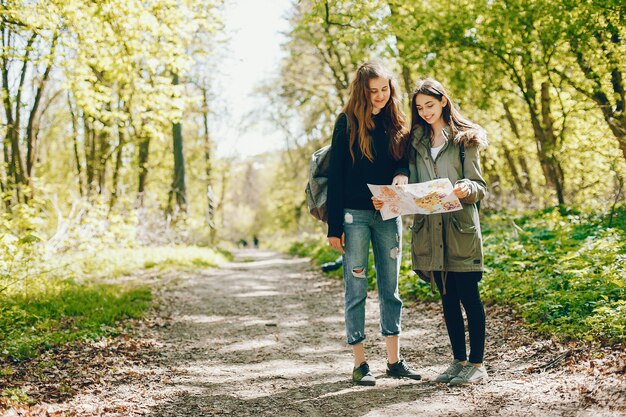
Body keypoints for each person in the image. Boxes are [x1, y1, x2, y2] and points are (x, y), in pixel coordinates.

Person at [326, 60, 421, 386]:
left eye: (385, 89)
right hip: (352, 217)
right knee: (356, 288)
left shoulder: (397, 122)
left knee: (390, 288)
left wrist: (400, 176)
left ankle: (394, 361)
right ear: (362, 92)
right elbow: (336, 177)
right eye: (373, 91)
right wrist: (333, 227)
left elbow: (403, 163)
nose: (380, 96)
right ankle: (360, 364)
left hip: (388, 215)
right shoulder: (346, 123)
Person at [406, 78, 488, 386]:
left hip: (460, 228)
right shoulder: (416, 143)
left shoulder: (464, 139)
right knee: (447, 298)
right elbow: (413, 186)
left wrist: (466, 188)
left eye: (429, 105)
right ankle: (458, 361)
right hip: (430, 231)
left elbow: (479, 187)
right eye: (419, 108)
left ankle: (478, 364)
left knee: (469, 295)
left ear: (443, 101)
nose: (425, 112)